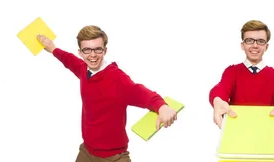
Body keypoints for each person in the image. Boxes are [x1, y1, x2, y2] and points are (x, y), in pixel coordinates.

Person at [37, 25, 178, 162]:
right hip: (87, 151)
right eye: (87, 50)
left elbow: (143, 94)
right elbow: (68, 59)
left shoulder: (117, 78)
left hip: (114, 157)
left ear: (105, 51)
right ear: (80, 52)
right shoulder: (82, 68)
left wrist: (162, 107)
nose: (92, 55)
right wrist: (52, 48)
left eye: (98, 49)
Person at [209, 20, 274, 128]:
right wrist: (217, 99)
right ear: (242, 45)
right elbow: (221, 89)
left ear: (266, 47)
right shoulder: (232, 72)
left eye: (260, 41)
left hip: (267, 133)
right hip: (237, 133)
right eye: (249, 40)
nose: (255, 45)